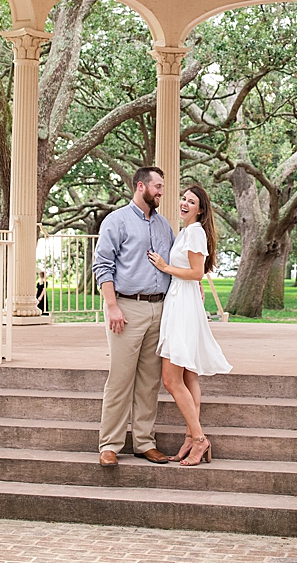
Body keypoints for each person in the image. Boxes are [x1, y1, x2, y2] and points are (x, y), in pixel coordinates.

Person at [92, 166, 175, 468]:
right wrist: (112, 306)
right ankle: (110, 444)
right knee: (120, 379)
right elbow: (102, 266)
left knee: (149, 381)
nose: (161, 192)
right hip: (126, 308)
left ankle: (144, 443)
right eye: (158, 186)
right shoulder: (117, 221)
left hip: (159, 309)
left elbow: (175, 262)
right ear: (141, 186)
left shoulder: (165, 226)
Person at [148, 183, 232, 467]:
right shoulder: (186, 232)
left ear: (201, 209)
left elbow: (197, 272)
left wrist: (164, 267)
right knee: (188, 377)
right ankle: (189, 436)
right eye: (183, 198)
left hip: (182, 306)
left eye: (191, 201)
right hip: (181, 301)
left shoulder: (195, 233)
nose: (184, 203)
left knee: (172, 380)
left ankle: (199, 439)